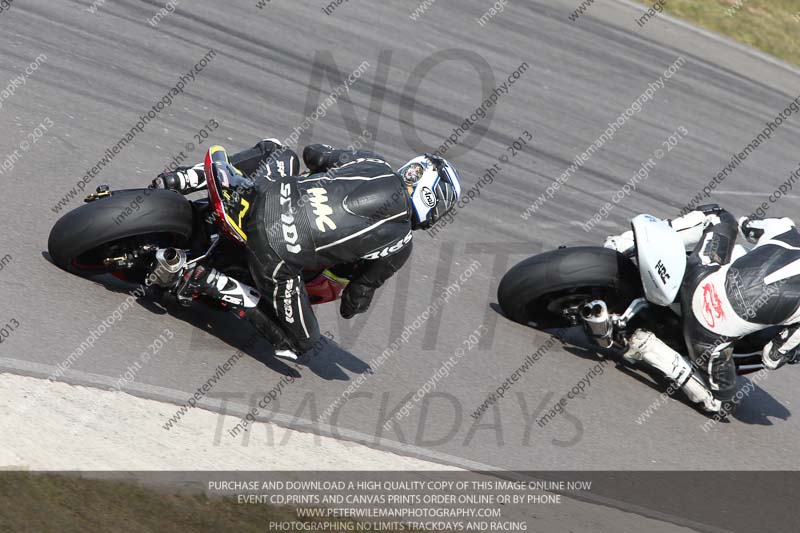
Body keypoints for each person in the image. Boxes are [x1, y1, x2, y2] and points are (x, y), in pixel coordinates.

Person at [153, 139, 462, 360]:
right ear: (433, 197)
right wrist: (358, 297)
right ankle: (207, 278)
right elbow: (353, 301)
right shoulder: (401, 245)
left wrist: (327, 176)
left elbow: (312, 153)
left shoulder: (372, 162)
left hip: (262, 196)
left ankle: (184, 177)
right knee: (303, 342)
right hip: (276, 256)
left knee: (278, 151)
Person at [605, 204, 800, 413]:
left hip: (698, 275)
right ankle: (648, 347)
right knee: (722, 402)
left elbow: (747, 226)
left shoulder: (785, 229)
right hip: (708, 333)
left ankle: (623, 244)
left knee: (718, 215)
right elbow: (772, 357)